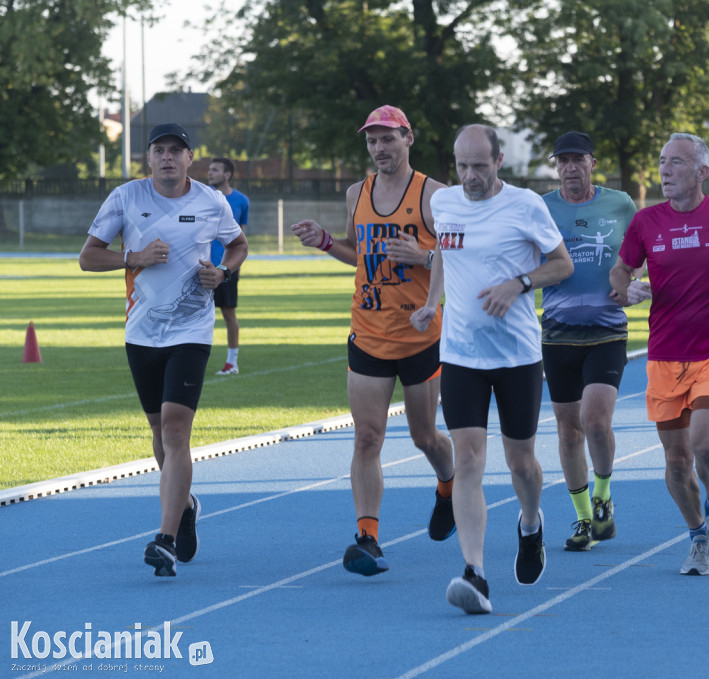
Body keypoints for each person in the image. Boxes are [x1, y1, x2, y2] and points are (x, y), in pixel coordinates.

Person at [410, 124, 574, 614]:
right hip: (460, 354)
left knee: (520, 463)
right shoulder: (445, 204)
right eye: (462, 166)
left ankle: (530, 522)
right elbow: (442, 250)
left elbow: (561, 264)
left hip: (518, 356)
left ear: (499, 160)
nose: (470, 176)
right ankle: (475, 572)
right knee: (468, 462)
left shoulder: (525, 205)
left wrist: (519, 283)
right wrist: (430, 301)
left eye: (480, 166)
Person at [290, 105, 456, 577]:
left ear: (408, 139)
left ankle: (448, 484)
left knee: (425, 437)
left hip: (420, 332)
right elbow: (356, 253)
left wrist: (422, 256)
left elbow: (456, 256)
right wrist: (325, 241)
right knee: (367, 437)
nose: (379, 148)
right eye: (372, 141)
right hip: (367, 331)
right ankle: (367, 538)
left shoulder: (433, 195)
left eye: (387, 139)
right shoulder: (355, 193)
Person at [79, 123, 248, 577]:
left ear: (190, 158)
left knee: (175, 432)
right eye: (160, 150)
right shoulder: (125, 198)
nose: (169, 157)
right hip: (141, 334)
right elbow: (88, 257)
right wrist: (131, 258)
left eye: (177, 150)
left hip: (192, 330)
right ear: (149, 158)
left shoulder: (211, 202)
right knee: (159, 435)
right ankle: (186, 504)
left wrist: (223, 274)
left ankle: (165, 539)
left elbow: (237, 245)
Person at [609, 133, 709, 576]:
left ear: (702, 172)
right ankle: (698, 535)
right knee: (677, 460)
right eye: (662, 161)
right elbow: (620, 271)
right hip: (664, 354)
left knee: (705, 443)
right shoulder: (647, 222)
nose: (665, 170)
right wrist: (629, 289)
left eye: (676, 163)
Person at [539, 131, 642, 552]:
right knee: (567, 431)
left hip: (607, 330)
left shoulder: (620, 204)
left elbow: (641, 254)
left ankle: (603, 495)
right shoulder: (542, 207)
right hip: (558, 333)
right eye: (562, 161)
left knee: (595, 420)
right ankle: (584, 519)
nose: (570, 168)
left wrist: (632, 283)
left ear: (592, 163)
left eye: (577, 159)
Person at [206, 157, 250, 375]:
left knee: (228, 314)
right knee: (194, 315)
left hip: (226, 269)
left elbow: (239, 239)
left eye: (215, 170)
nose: (210, 173)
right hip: (200, 267)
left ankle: (232, 363)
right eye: (209, 169)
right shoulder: (201, 197)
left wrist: (231, 265)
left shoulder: (242, 201)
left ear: (227, 174)